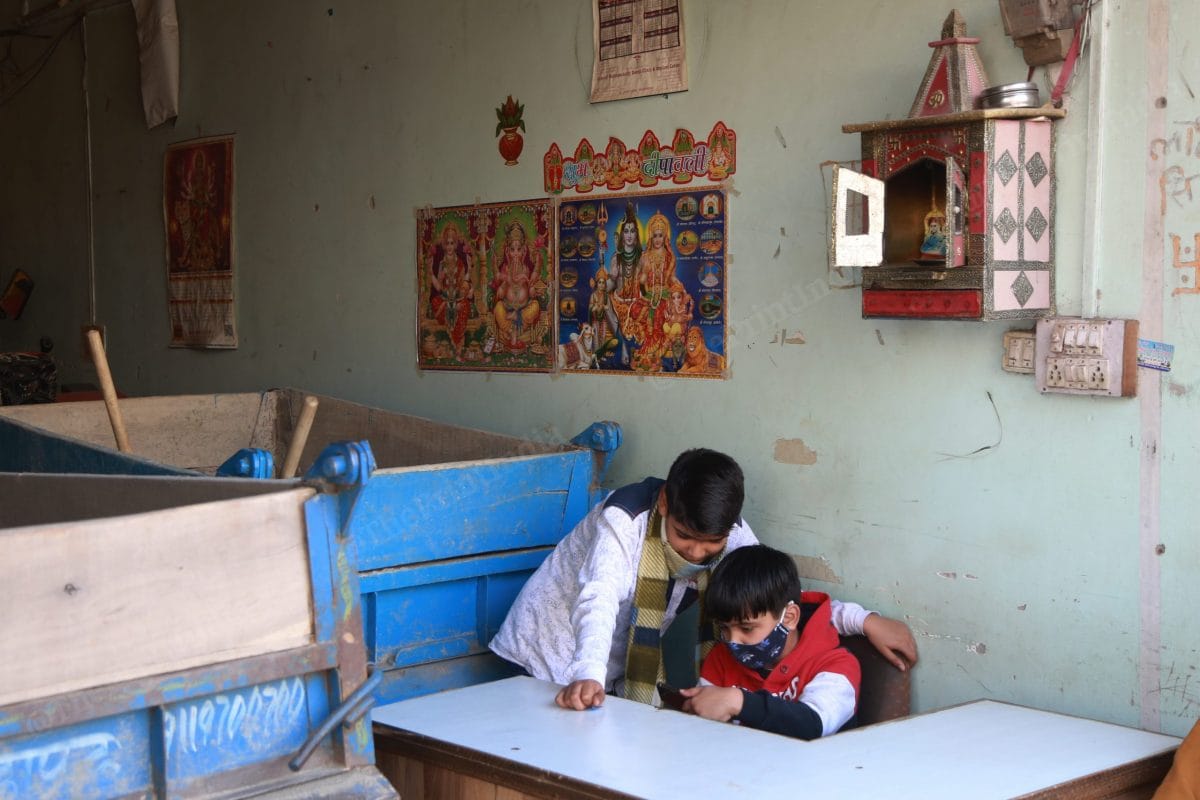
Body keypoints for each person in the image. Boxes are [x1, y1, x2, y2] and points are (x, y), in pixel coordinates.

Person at [488, 448, 917, 711]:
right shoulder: (624, 518)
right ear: (664, 504)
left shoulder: (731, 535)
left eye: (709, 544)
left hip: (603, 673)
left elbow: (772, 598)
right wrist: (587, 674)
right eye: (683, 537)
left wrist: (864, 621)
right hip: (539, 655)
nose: (695, 553)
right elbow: (598, 598)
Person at [679, 544, 860, 739]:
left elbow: (813, 725)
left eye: (747, 628)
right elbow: (706, 731)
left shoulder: (837, 666)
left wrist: (739, 701)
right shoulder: (722, 658)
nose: (733, 641)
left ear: (789, 617)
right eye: (724, 628)